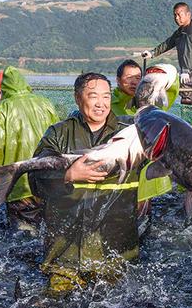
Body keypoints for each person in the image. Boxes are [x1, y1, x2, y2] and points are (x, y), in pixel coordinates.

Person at [29, 73, 140, 292]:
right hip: (64, 254)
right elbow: (35, 177)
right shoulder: (58, 133)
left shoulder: (131, 133)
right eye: (93, 96)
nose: (101, 103)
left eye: (107, 97)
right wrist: (68, 175)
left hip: (114, 255)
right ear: (78, 98)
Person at [0, 66, 59, 231]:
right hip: (48, 181)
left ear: (5, 89)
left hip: (18, 186)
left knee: (22, 238)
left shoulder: (2, 109)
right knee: (48, 234)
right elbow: (60, 139)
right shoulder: (46, 104)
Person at [142, 2, 192, 106]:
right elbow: (169, 43)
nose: (177, 18)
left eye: (180, 15)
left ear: (188, 15)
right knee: (185, 93)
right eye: (175, 15)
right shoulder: (181, 30)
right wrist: (152, 53)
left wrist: (186, 70)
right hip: (187, 67)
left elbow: (190, 52)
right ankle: (187, 116)